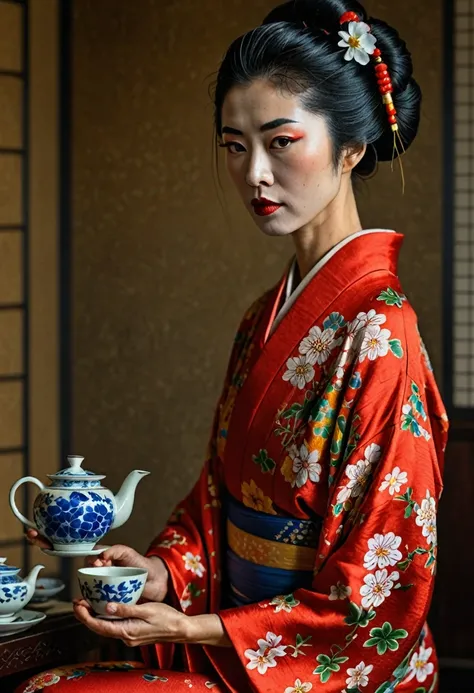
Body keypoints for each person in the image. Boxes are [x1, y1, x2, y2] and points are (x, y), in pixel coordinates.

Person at [18, 0, 448, 691]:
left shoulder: (382, 332)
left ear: (351, 146)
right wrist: (162, 572)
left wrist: (191, 628)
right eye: (234, 144)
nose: (253, 173)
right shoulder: (262, 318)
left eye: (281, 141)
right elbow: (217, 499)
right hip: (239, 637)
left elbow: (378, 596)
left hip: (315, 664)